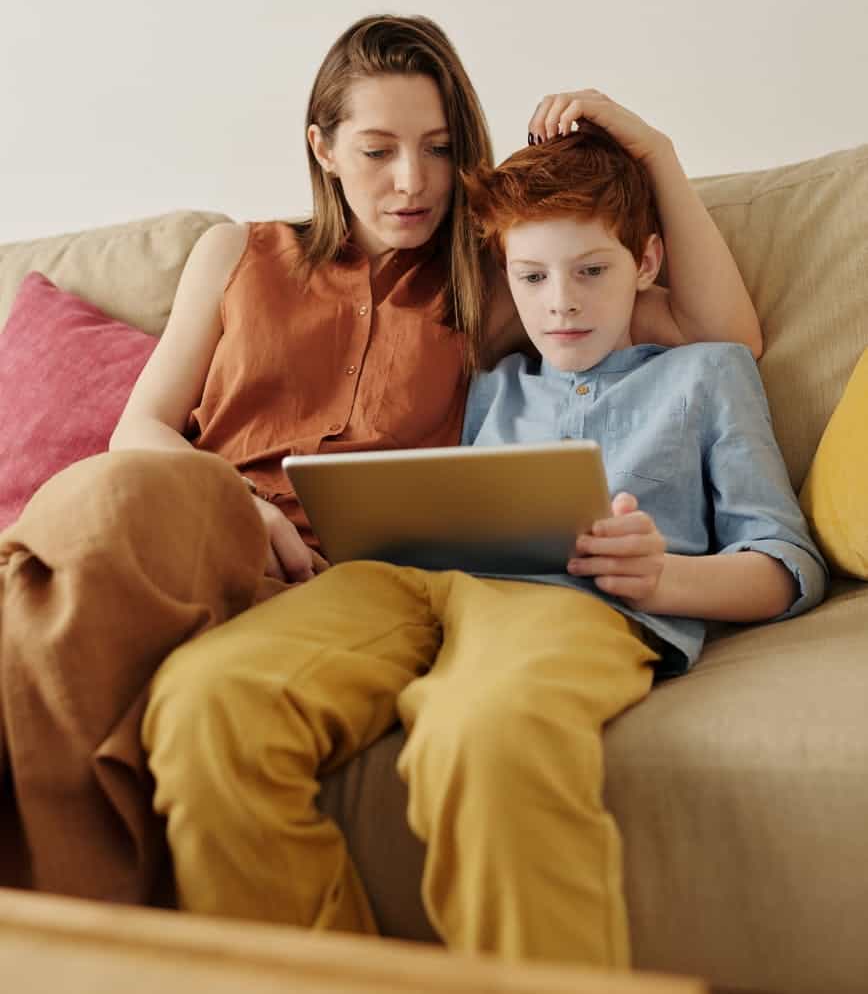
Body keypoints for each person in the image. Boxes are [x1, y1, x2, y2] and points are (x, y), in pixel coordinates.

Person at [0, 15, 760, 913]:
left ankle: (63, 932)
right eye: (377, 149)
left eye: (439, 150)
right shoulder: (236, 253)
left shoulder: (497, 281)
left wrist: (656, 152)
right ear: (321, 148)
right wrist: (250, 508)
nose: (412, 182)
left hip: (337, 583)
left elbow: (719, 339)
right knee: (109, 506)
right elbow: (142, 430)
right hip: (200, 518)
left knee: (64, 629)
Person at [138, 80, 822, 967]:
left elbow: (783, 557)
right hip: (409, 578)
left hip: (575, 600)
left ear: (646, 264)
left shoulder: (704, 372)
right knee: (204, 700)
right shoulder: (494, 376)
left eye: (592, 273)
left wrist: (668, 579)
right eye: (532, 278)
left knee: (481, 731)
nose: (561, 304)